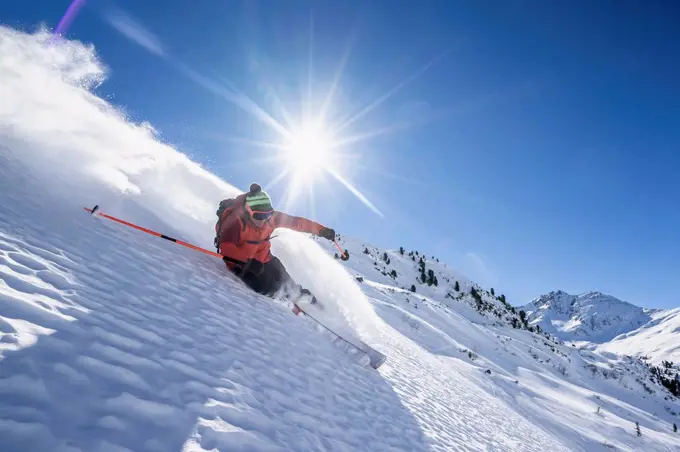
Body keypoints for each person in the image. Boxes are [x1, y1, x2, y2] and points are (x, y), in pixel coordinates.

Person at [215, 183, 336, 302]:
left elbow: (296, 222)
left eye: (266, 215)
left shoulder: (271, 218)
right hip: (241, 264)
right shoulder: (235, 220)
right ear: (247, 211)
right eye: (258, 216)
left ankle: (304, 299)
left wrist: (321, 230)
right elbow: (226, 246)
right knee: (266, 286)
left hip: (265, 258)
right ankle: (281, 299)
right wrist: (246, 261)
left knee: (285, 280)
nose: (263, 220)